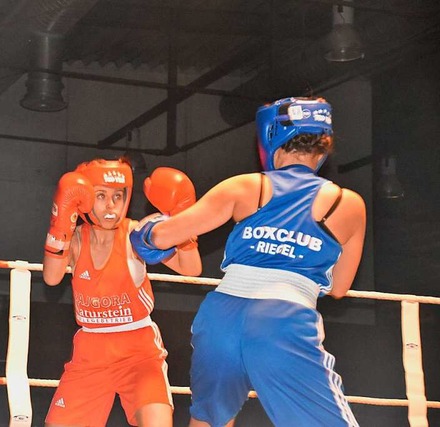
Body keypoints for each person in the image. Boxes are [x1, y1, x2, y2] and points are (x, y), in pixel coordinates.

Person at [131, 97, 366, 427]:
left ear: (269, 137)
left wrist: (149, 230)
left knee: (209, 422)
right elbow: (339, 288)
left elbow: (155, 240)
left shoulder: (245, 186)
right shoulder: (348, 204)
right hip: (282, 320)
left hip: (220, 318)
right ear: (323, 146)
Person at [43, 158, 202, 427]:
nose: (110, 205)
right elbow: (51, 277)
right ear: (84, 199)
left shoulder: (138, 233)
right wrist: (60, 222)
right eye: (101, 195)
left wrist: (182, 220)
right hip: (90, 353)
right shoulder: (75, 238)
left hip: (139, 351)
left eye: (118, 196)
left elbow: (191, 268)